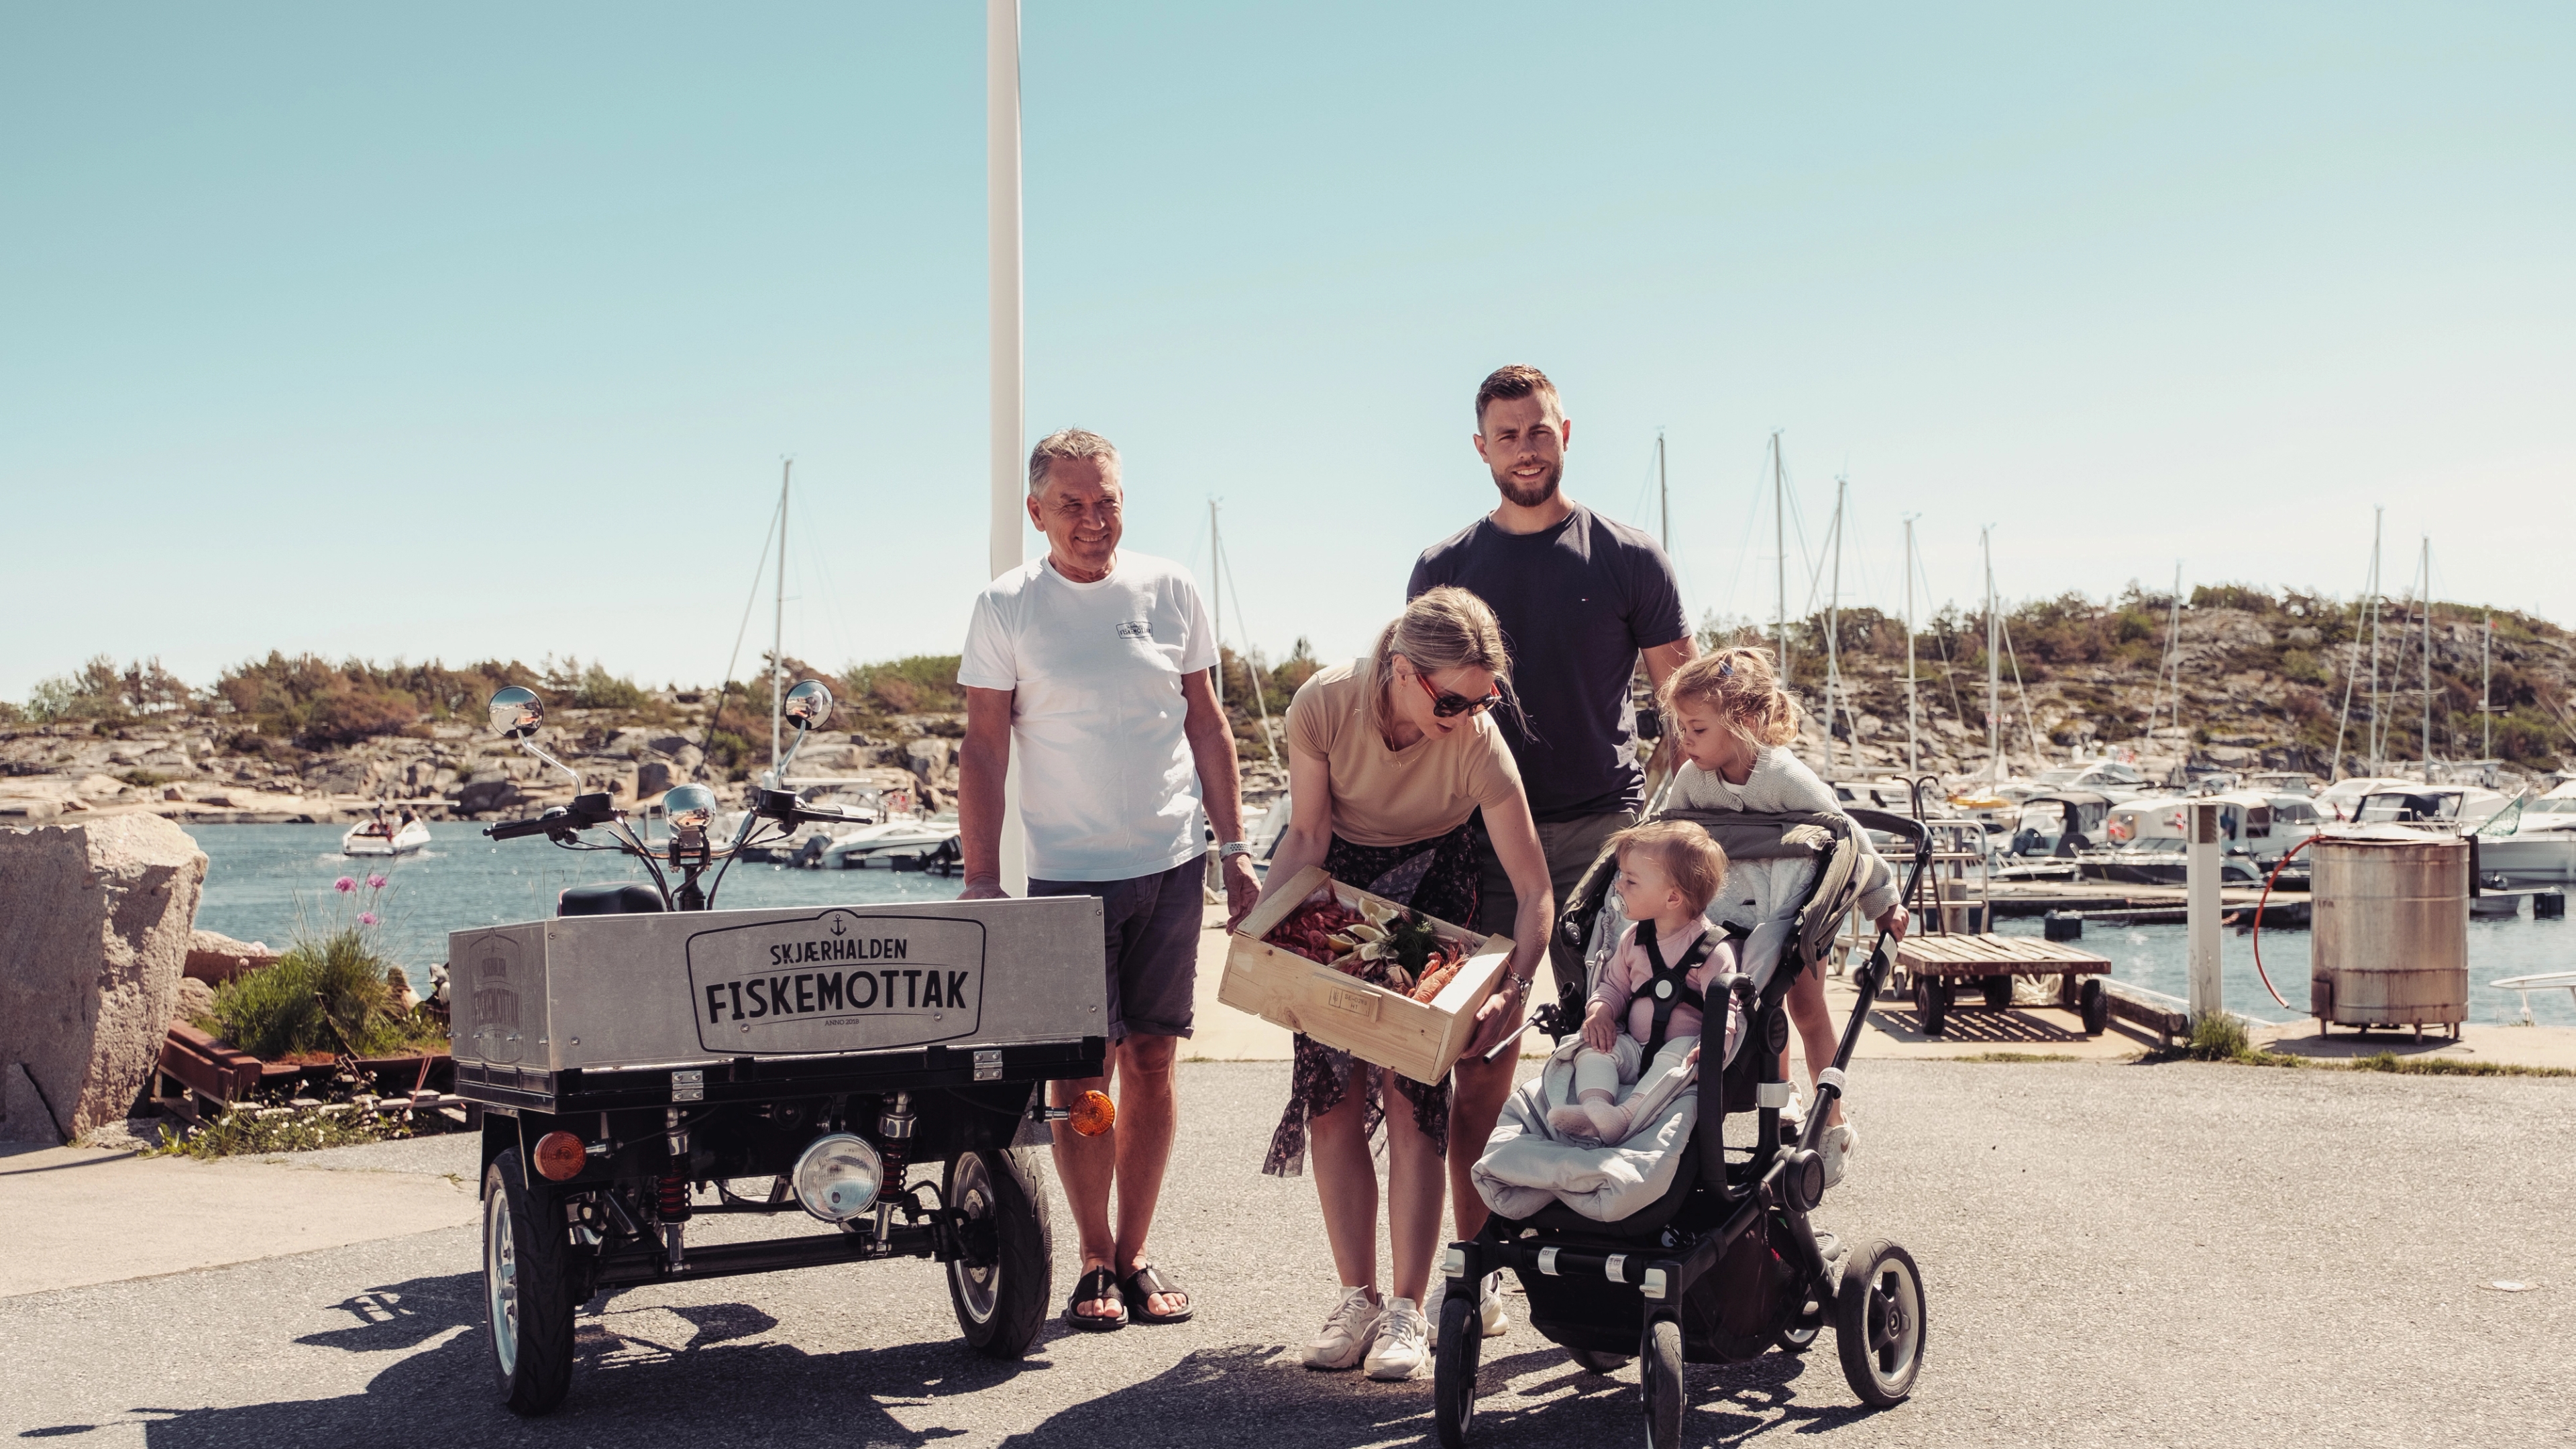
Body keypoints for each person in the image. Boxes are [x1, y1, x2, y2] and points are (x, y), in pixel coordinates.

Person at [955, 427, 1260, 1330]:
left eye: (1109, 501)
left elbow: (1207, 724)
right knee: (1081, 1077)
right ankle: (1091, 1256)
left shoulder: (1171, 589)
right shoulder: (1007, 605)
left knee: (1157, 1061)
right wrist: (981, 878)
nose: (1095, 521)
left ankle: (1135, 1252)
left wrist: (1234, 846)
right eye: (1074, 505)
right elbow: (982, 744)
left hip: (1170, 866)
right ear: (1036, 511)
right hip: (1064, 880)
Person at [1407, 364, 1698, 1275]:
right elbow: (1416, 704)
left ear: (1565, 434)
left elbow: (1682, 701)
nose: (1525, 449)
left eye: (1539, 431)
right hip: (1480, 837)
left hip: (1603, 833)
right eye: (1507, 434)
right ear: (1481, 447)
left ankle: (1616, 1245)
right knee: (1482, 1053)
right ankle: (1479, 1267)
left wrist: (1679, 828)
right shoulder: (1445, 567)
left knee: (1625, 1041)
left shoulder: (1627, 555)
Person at [1254, 587, 1554, 1382]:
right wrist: (1263, 927)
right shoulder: (1323, 704)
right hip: (1339, 882)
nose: (1469, 711)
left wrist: (1514, 991)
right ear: (1401, 671)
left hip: (1435, 887)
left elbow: (1533, 892)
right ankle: (1356, 1295)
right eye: (1452, 697)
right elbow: (1309, 833)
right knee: (1330, 1094)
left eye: (1485, 696)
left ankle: (1409, 1311)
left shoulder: (1478, 744)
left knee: (1412, 1090)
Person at [1657, 647, 1907, 1185]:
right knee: (1753, 1003)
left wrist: (1883, 902)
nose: (1686, 741)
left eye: (1696, 728)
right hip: (1734, 908)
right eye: (1681, 728)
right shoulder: (1693, 782)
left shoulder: (1781, 776)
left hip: (1799, 906)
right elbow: (1666, 834)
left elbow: (1847, 835)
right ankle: (1782, 1094)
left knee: (1806, 1006)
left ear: (1744, 721)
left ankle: (1833, 1118)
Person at [1549, 820, 1733, 1145]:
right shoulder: (1633, 939)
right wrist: (1601, 1012)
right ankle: (1596, 1107)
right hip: (1634, 1046)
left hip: (1680, 1052)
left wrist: (1715, 1046)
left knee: (1677, 1056)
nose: (1618, 886)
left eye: (1631, 881)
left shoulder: (1712, 951)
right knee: (1594, 1049)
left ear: (1672, 899)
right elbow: (1614, 987)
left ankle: (1625, 1116)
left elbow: (1727, 1011)